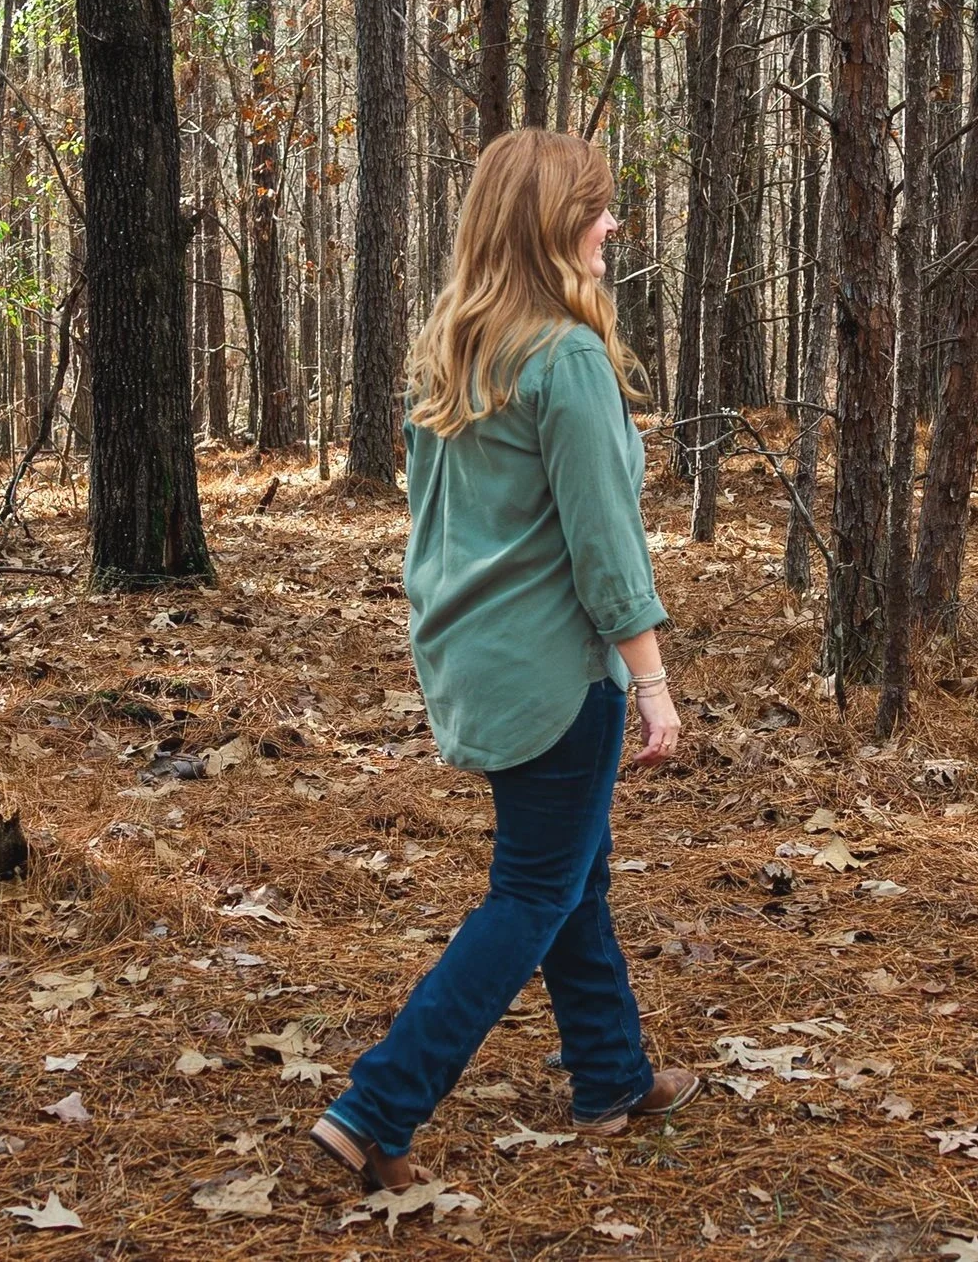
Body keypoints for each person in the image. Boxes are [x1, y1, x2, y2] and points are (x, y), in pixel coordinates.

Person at [311, 128, 698, 1193]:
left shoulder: (457, 344)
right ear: (552, 224)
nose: (612, 223)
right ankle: (375, 1105)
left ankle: (611, 1076)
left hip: (478, 658)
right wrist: (652, 681)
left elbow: (434, 526)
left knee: (572, 869)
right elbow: (605, 546)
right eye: (597, 206)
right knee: (531, 890)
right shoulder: (563, 356)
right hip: (555, 672)